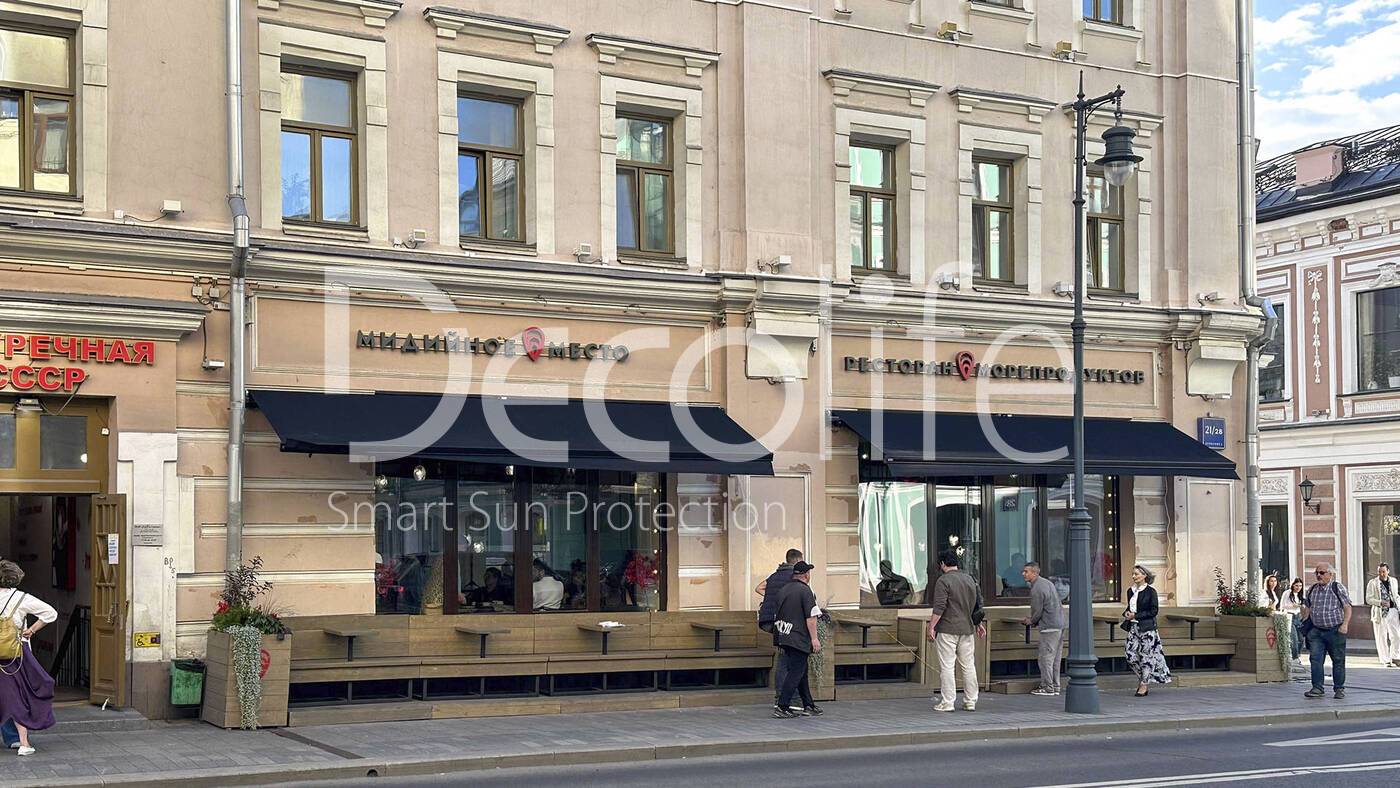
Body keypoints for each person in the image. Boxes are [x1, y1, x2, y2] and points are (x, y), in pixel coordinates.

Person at [0, 560, 57, 756]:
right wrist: (31, 630)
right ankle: (22, 742)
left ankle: (18, 740)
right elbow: (51, 613)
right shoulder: (22, 598)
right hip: (14, 655)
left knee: (9, 696)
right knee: (18, 697)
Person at [927, 549, 984, 712]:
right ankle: (971, 701)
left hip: (947, 628)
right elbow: (977, 604)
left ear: (942, 564)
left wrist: (931, 627)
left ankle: (948, 702)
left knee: (947, 666)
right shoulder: (970, 579)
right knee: (968, 665)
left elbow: (939, 607)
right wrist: (978, 624)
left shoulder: (943, 581)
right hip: (967, 628)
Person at [771, 561, 821, 719]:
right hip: (798, 637)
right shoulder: (805, 591)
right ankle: (782, 706)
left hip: (783, 634)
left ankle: (808, 704)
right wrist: (814, 639)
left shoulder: (783, 589)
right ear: (806, 575)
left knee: (801, 671)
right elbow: (811, 617)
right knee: (796, 672)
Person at [757, 548, 803, 710]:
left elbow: (759, 588)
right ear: (798, 561)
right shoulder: (793, 576)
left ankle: (783, 698)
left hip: (768, 621)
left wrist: (770, 599)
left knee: (784, 655)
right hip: (783, 621)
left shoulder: (775, 575)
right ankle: (786, 698)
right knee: (786, 659)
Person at [1301, 562, 1352, 699]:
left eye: (1322, 573)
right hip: (1316, 632)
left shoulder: (1337, 588)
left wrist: (1345, 625)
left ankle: (1339, 688)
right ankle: (1317, 688)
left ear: (1330, 574)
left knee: (1338, 660)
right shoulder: (1312, 589)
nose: (1319, 575)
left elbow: (1347, 607)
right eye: (1317, 573)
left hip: (1335, 630)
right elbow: (1308, 607)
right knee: (1315, 659)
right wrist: (1304, 622)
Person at [1123, 565, 1171, 697]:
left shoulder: (1151, 591)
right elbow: (1131, 607)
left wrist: (1136, 615)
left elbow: (1154, 611)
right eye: (1133, 574)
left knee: (1146, 657)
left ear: (1144, 576)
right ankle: (1144, 678)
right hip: (1133, 627)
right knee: (1130, 655)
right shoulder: (1130, 591)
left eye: (1137, 574)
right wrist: (1127, 613)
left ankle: (1144, 684)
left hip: (1147, 629)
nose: (1134, 576)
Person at [1020, 561, 1065, 697]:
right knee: (1055, 659)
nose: (1023, 574)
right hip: (1060, 624)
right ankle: (1055, 686)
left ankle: (1047, 687)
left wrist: (1031, 621)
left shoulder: (1037, 588)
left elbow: (1037, 610)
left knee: (1045, 659)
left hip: (1048, 627)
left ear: (1034, 573)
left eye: (1026, 571)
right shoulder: (1048, 583)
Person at [1365, 563, 1400, 668]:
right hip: (1380, 613)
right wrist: (1380, 602)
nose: (1381, 574)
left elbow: (1396, 596)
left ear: (1388, 571)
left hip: (1393, 611)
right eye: (1379, 572)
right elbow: (1368, 599)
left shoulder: (1393, 581)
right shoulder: (1373, 583)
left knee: (1397, 635)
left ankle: (1395, 657)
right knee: (1381, 637)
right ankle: (1385, 660)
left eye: (1383, 571)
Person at [1279, 577, 1305, 664]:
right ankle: (1295, 657)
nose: (1298, 588)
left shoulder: (1299, 594)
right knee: (1294, 638)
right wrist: (1293, 606)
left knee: (1301, 639)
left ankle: (1298, 655)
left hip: (1298, 617)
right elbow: (1282, 606)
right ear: (1292, 585)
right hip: (1289, 616)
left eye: (1300, 586)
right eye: (1296, 585)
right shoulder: (1287, 593)